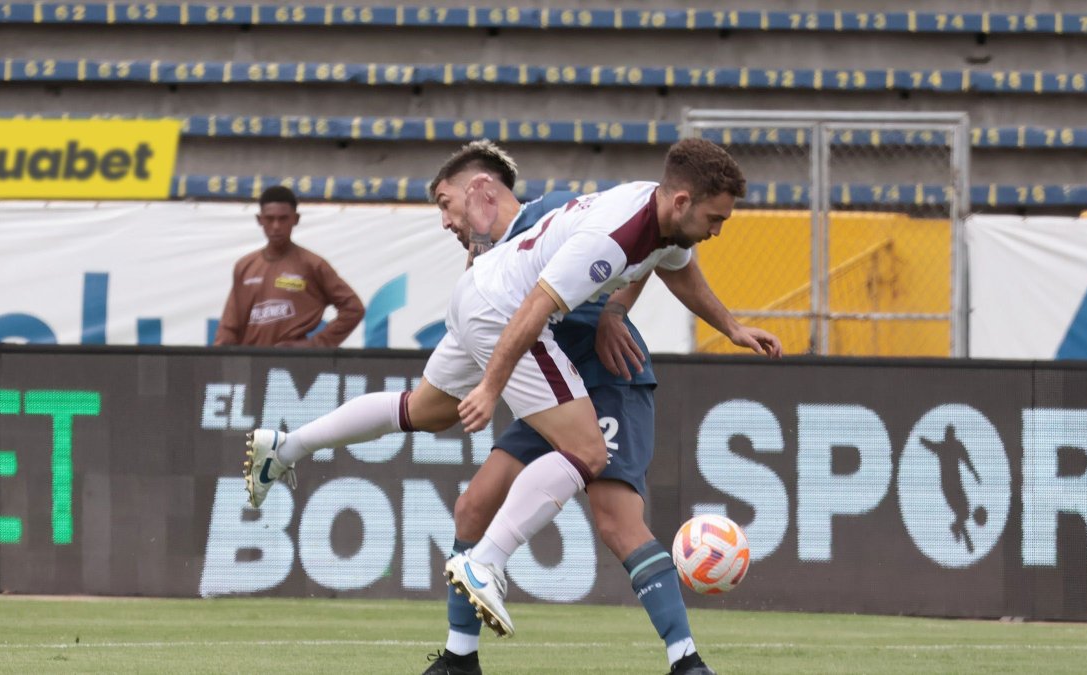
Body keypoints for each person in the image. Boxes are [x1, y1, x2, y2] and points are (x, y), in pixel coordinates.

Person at [241, 138, 781, 669]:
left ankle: (289, 446)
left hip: (556, 352)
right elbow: (532, 310)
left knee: (436, 429)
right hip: (522, 337)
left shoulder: (631, 214)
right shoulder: (604, 234)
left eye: (446, 207)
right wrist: (493, 387)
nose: (718, 229)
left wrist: (726, 325)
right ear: (683, 201)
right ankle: (487, 567)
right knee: (587, 454)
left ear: (485, 195)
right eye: (717, 218)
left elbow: (671, 260)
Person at [422, 140, 714, 675]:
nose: (452, 223)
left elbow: (653, 252)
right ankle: (458, 660)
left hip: (604, 378)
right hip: (552, 377)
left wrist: (614, 311)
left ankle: (687, 661)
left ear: (483, 192)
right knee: (472, 506)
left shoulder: (559, 211)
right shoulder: (495, 255)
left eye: (449, 206)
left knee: (617, 520)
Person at [213, 185, 364, 347]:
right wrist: (220, 361)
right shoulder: (245, 266)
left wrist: (314, 345)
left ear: (296, 219)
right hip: (252, 363)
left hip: (292, 366)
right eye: (270, 219)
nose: (276, 226)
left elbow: (353, 309)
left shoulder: (312, 264)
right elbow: (230, 325)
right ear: (260, 220)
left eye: (283, 218)